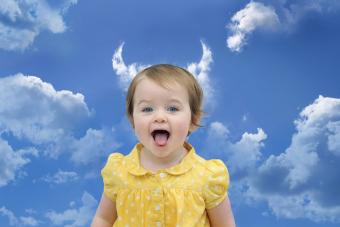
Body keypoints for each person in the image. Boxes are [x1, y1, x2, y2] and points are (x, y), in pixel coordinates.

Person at [91, 64, 236, 227]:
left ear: (193, 120)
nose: (159, 117)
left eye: (172, 108)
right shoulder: (119, 171)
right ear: (133, 119)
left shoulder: (208, 176)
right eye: (147, 109)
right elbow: (103, 219)